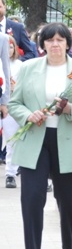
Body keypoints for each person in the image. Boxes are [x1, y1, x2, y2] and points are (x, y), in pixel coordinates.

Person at [8, 23, 72, 249]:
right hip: (36, 140)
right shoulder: (29, 68)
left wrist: (70, 109)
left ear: (68, 43)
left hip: (67, 141)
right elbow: (15, 104)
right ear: (43, 44)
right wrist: (28, 115)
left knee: (68, 199)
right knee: (32, 198)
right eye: (50, 40)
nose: (55, 44)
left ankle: (70, 247)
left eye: (60, 39)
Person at [4, 35, 23, 188]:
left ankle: (11, 173)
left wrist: (15, 87)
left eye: (10, 47)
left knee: (13, 140)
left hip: (14, 106)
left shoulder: (20, 65)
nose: (8, 50)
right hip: (3, 104)